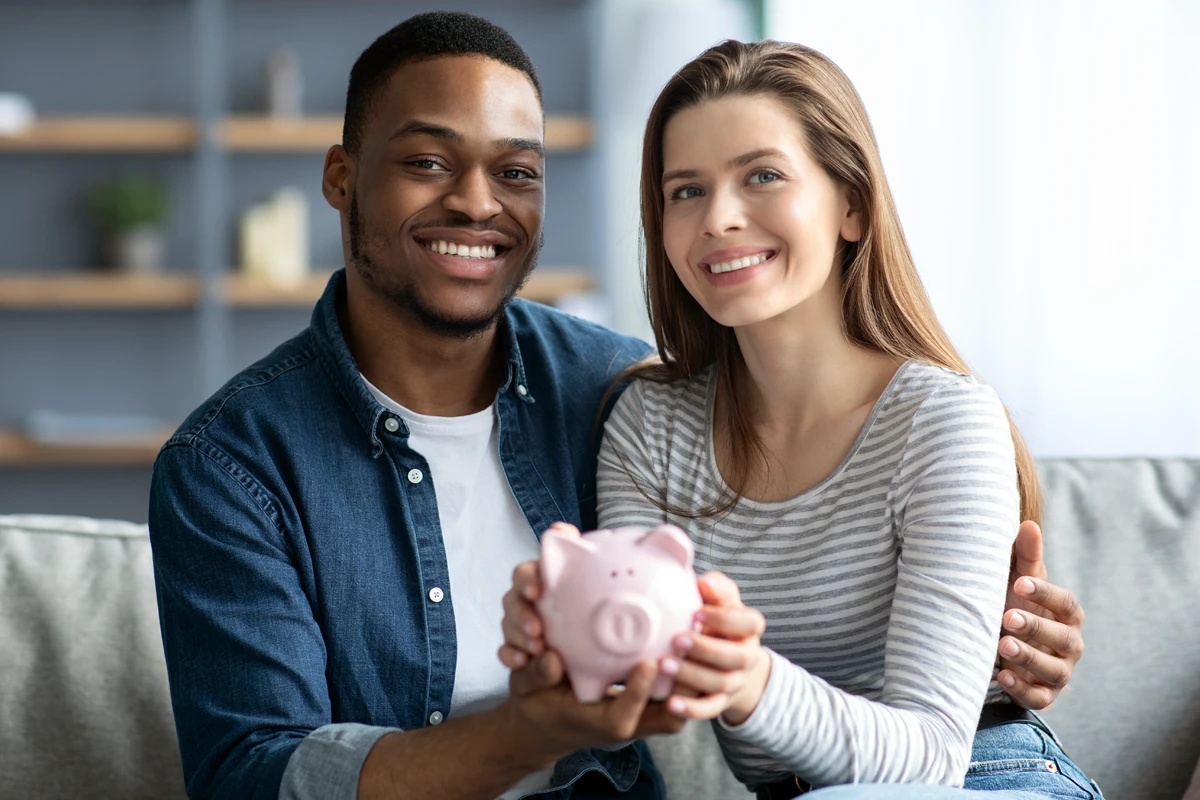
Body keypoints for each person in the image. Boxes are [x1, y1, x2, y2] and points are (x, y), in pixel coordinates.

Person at [147, 13, 1085, 800]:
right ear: (342, 179)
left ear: (850, 202)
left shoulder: (603, 386)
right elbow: (251, 772)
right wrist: (552, 702)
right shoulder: (233, 465)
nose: (478, 202)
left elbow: (925, 745)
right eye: (429, 162)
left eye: (516, 171)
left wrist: (1005, 651)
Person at [498, 40, 1099, 799]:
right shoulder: (649, 427)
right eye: (686, 191)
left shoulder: (944, 422)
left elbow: (933, 760)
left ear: (850, 204)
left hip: (986, 777)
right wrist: (564, 629)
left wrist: (752, 683)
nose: (718, 217)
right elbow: (636, 669)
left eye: (762, 176)